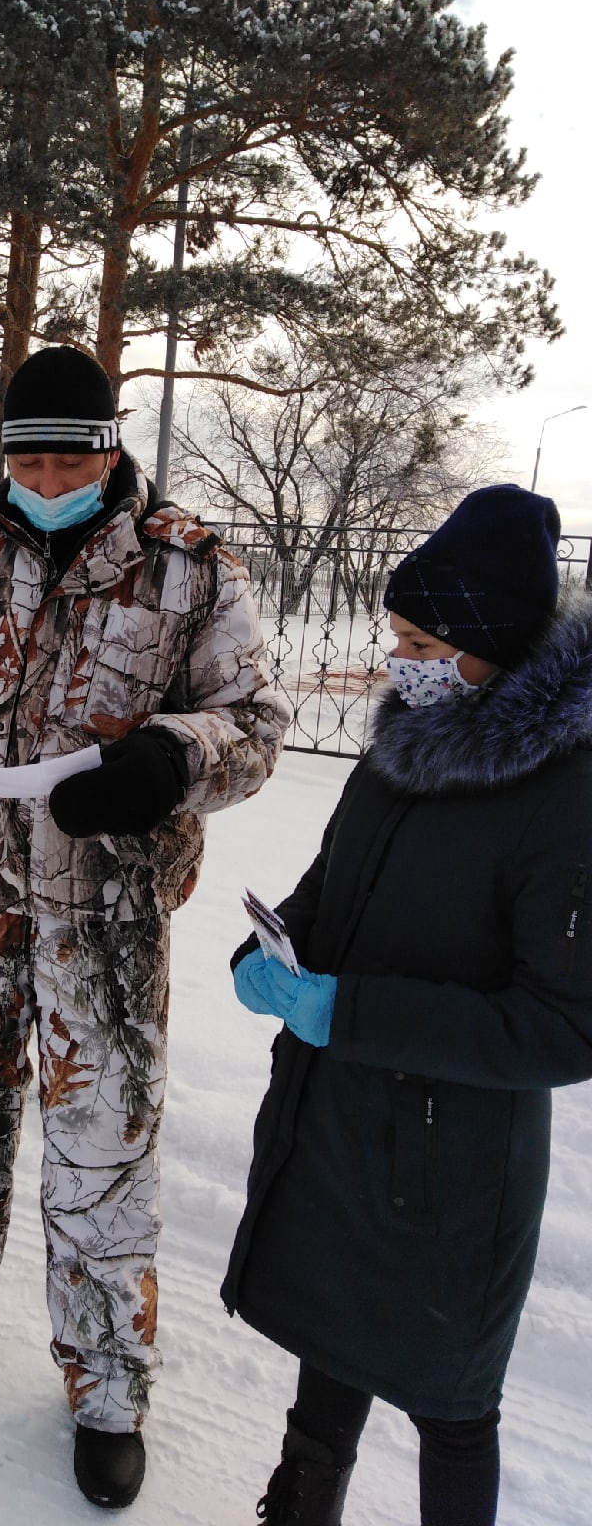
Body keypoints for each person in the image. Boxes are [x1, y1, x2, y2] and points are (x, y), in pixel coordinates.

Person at [0, 345, 290, 1509]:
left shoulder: (189, 566)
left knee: (102, 1155)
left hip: (108, 917)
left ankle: (106, 1391)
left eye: (69, 460)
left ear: (109, 452)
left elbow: (254, 721)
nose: (45, 479)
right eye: (27, 459)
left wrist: (168, 761)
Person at [221, 484, 592, 1526]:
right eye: (396, 635)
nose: (398, 660)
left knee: (451, 1396)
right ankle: (302, 1504)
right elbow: (330, 882)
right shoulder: (405, 743)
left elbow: (564, 1028)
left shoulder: (567, 795)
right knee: (332, 1333)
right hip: (340, 1116)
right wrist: (270, 948)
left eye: (420, 642)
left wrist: (350, 1014)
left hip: (454, 1164)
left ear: (487, 647)